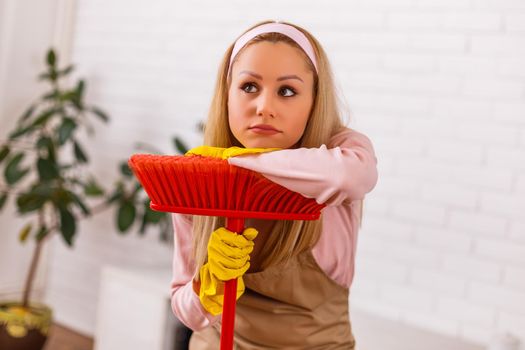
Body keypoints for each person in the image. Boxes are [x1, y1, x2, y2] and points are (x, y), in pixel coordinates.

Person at [170, 19, 379, 349]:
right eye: (249, 86)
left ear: (313, 101)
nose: (264, 107)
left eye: (287, 91)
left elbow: (348, 177)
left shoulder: (343, 153)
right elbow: (186, 310)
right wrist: (205, 291)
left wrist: (235, 162)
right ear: (226, 95)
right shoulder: (201, 181)